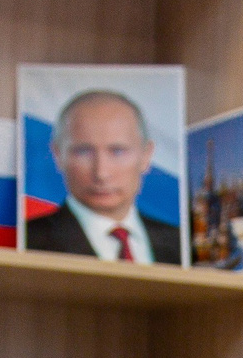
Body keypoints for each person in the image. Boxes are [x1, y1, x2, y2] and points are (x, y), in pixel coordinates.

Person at [25, 88, 184, 266]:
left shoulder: (181, 244)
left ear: (146, 156)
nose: (101, 173)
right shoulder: (29, 242)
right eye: (83, 152)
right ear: (58, 155)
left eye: (117, 151)